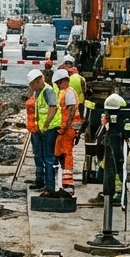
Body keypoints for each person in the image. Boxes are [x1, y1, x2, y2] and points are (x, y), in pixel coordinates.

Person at [33, 68, 61, 198]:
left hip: (50, 128)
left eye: (33, 84)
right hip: (45, 129)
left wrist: (46, 124)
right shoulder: (39, 91)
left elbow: (53, 107)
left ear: (39, 81)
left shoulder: (48, 91)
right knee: (45, 157)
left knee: (49, 158)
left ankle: (50, 188)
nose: (31, 87)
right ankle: (47, 185)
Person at [52, 68, 78, 196]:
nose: (57, 85)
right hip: (63, 130)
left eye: (58, 83)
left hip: (68, 130)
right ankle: (63, 180)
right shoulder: (63, 92)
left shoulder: (69, 93)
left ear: (64, 81)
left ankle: (68, 183)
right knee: (60, 153)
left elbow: (72, 111)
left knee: (66, 154)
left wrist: (66, 127)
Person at [24, 68, 45, 192]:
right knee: (38, 156)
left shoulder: (44, 93)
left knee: (42, 156)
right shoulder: (35, 93)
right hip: (35, 129)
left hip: (41, 130)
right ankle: (39, 179)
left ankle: (41, 180)